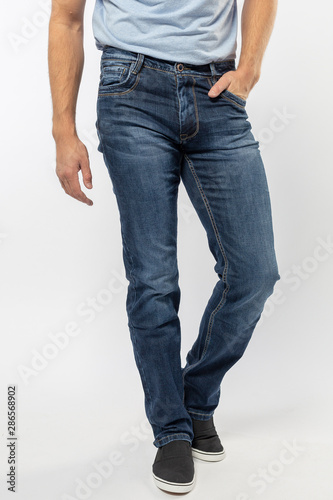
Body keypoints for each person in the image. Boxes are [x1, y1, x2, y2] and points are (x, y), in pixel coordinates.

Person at [48, 0, 280, 493]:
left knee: (255, 273)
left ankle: (194, 397)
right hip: (130, 88)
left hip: (217, 91)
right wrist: (62, 130)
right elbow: (66, 17)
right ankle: (172, 429)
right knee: (154, 278)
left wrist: (251, 67)